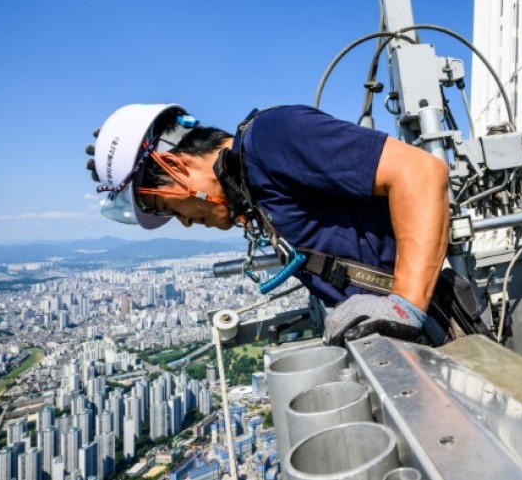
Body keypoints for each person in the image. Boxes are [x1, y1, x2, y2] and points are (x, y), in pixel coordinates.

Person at [86, 103, 450, 345]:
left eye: (170, 208)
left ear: (177, 167)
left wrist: (405, 305)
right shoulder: (254, 187)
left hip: (432, 325)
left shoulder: (273, 137)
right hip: (404, 340)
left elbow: (420, 172)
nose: (183, 222)